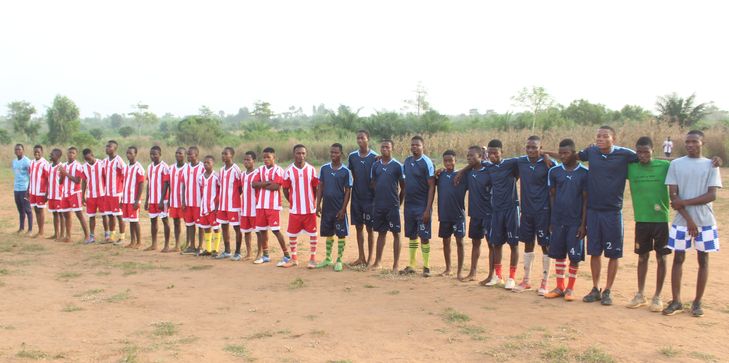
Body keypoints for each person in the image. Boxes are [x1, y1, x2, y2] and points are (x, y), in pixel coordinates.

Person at [663, 130, 722, 317]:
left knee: (703, 260)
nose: (690, 145)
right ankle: (676, 301)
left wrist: (685, 203)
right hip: (682, 221)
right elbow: (673, 196)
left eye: (694, 141)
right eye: (687, 142)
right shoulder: (676, 164)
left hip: (705, 221)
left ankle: (697, 303)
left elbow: (712, 195)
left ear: (702, 143)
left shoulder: (711, 165)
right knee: (678, 258)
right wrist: (689, 219)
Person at [578, 126, 638, 306]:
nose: (600, 139)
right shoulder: (592, 152)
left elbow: (645, 157)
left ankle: (608, 290)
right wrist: (546, 155)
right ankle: (595, 288)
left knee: (613, 253)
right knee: (594, 252)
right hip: (593, 211)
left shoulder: (625, 154)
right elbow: (571, 156)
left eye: (605, 136)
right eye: (598, 136)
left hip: (613, 212)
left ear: (614, 138)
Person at [625, 137, 671, 311]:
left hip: (660, 220)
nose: (643, 155)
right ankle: (640, 294)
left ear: (653, 150)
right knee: (642, 257)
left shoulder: (664, 166)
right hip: (641, 220)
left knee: (661, 258)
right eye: (639, 152)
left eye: (646, 151)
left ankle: (657, 296)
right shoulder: (631, 168)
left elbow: (683, 166)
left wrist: (714, 162)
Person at [544, 139, 588, 301]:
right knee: (559, 254)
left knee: (574, 256)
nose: (562, 156)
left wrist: (584, 224)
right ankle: (560, 286)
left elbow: (586, 200)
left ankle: (570, 288)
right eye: (560, 153)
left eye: (566, 153)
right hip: (558, 221)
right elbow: (552, 196)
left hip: (575, 222)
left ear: (574, 154)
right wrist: (552, 220)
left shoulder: (584, 173)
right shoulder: (554, 172)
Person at [515, 136, 554, 294]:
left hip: (543, 210)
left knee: (545, 245)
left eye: (534, 147)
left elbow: (562, 166)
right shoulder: (521, 162)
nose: (531, 150)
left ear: (541, 148)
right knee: (528, 243)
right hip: (526, 210)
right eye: (528, 147)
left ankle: (545, 282)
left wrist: (547, 155)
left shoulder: (548, 164)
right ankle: (526, 279)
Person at [484, 139, 521, 289]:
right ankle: (498, 275)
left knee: (513, 244)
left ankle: (511, 278)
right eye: (490, 153)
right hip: (496, 210)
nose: (493, 156)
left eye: (495, 153)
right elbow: (476, 161)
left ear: (501, 152)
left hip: (511, 208)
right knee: (496, 243)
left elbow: (520, 170)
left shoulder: (511, 163)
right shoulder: (489, 166)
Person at [399, 136, 436, 277]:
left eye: (417, 145)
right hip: (409, 205)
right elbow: (404, 183)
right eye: (412, 145)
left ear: (423, 146)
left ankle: (426, 267)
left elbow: (432, 186)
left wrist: (428, 209)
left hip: (422, 206)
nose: (414, 147)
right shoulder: (407, 162)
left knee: (424, 236)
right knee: (412, 235)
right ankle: (412, 265)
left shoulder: (426, 162)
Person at [281, 144, 320, 268]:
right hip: (295, 209)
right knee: (292, 234)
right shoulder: (288, 170)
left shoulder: (312, 170)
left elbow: (315, 188)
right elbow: (285, 189)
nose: (301, 156)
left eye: (303, 153)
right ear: (294, 154)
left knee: (313, 234)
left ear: (306, 154)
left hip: (309, 209)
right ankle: (294, 258)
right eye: (298, 153)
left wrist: (312, 201)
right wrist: (292, 201)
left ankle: (312, 259)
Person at [315, 143, 353, 272]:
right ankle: (328, 258)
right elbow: (320, 187)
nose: (333, 155)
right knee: (328, 233)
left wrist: (343, 209)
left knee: (341, 234)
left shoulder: (346, 171)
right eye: (331, 152)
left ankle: (339, 259)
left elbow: (348, 191)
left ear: (341, 154)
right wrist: (318, 204)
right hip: (327, 208)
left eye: (336, 153)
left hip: (339, 208)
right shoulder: (324, 168)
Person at [457, 146, 492, 282]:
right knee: (475, 243)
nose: (469, 158)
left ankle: (492, 274)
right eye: (467, 156)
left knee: (492, 245)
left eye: (472, 156)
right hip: (475, 214)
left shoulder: (488, 170)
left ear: (481, 156)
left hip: (488, 214)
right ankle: (473, 273)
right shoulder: (469, 172)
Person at [370, 139, 405, 272]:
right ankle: (378, 262)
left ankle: (395, 265)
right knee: (381, 233)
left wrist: (398, 203)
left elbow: (404, 187)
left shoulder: (397, 166)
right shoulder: (376, 165)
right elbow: (373, 183)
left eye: (387, 147)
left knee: (396, 233)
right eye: (382, 147)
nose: (384, 149)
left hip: (392, 206)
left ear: (392, 149)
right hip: (379, 205)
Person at [252, 147, 290, 265]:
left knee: (275, 230)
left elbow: (276, 187)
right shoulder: (260, 170)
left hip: (272, 206)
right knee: (262, 230)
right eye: (264, 157)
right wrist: (267, 182)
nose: (266, 159)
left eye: (268, 157)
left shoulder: (278, 170)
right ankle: (266, 255)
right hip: (260, 205)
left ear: (274, 158)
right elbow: (253, 184)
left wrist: (261, 184)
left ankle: (287, 255)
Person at [348, 130, 378, 266]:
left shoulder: (375, 157)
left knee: (370, 229)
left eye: (362, 138)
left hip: (370, 199)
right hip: (356, 198)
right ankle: (361, 257)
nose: (360, 140)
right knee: (358, 227)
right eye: (358, 138)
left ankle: (370, 258)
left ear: (368, 139)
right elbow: (353, 174)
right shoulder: (352, 156)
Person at [435, 150, 467, 278]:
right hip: (444, 214)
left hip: (458, 215)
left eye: (450, 160)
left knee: (460, 242)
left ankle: (459, 270)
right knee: (445, 241)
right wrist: (437, 171)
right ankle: (448, 268)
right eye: (446, 161)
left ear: (455, 161)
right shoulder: (440, 175)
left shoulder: (461, 176)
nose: (448, 163)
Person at [58, 146, 90, 243]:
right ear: (66, 154)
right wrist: (62, 175)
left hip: (74, 193)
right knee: (66, 214)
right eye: (69, 152)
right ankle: (68, 236)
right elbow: (60, 182)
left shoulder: (78, 166)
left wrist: (65, 173)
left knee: (79, 214)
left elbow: (77, 181)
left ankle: (87, 236)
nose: (71, 154)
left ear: (76, 155)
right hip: (65, 193)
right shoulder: (63, 165)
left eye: (73, 153)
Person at [216, 147, 242, 260]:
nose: (223, 156)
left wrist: (234, 197)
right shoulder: (221, 170)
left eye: (226, 154)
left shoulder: (236, 169)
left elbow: (240, 188)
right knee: (224, 226)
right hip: (223, 204)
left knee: (237, 227)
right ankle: (227, 251)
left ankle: (238, 252)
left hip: (233, 204)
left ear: (232, 155)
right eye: (222, 154)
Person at [160, 147, 187, 252]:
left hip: (184, 201)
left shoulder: (187, 168)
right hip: (174, 200)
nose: (178, 155)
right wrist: (163, 199)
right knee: (176, 222)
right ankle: (177, 245)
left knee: (188, 223)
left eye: (180, 153)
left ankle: (189, 244)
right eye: (176, 153)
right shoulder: (170, 168)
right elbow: (166, 184)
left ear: (184, 155)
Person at [145, 146, 170, 251]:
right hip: (152, 200)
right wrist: (147, 200)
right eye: (151, 154)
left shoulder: (164, 167)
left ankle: (166, 245)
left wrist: (161, 200)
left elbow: (166, 184)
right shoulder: (149, 167)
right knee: (153, 221)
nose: (153, 156)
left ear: (160, 154)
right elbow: (148, 184)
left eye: (155, 154)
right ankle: (154, 244)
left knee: (165, 221)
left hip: (162, 200)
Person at [196, 155, 221, 256]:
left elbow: (220, 191)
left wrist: (217, 206)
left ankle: (216, 249)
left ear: (213, 164)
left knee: (215, 227)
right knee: (206, 227)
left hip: (213, 207)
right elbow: (201, 192)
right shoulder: (201, 177)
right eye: (205, 163)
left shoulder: (216, 176)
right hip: (204, 207)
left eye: (208, 163)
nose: (206, 164)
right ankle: (208, 249)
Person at [182, 146, 205, 254]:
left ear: (196, 155)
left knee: (200, 225)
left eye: (191, 154)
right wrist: (183, 200)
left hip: (198, 202)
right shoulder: (186, 168)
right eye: (188, 154)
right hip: (188, 202)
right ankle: (191, 246)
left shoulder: (202, 167)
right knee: (190, 224)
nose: (188, 156)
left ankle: (200, 246)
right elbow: (183, 185)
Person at [121, 146, 145, 249]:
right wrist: (122, 199)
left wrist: (137, 200)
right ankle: (132, 241)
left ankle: (139, 242)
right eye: (127, 153)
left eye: (130, 153)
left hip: (133, 199)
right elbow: (124, 183)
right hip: (126, 198)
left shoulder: (139, 167)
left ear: (135, 154)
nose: (128, 155)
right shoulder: (126, 167)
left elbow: (141, 184)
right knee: (130, 221)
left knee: (135, 220)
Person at [81, 148, 106, 244]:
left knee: (104, 216)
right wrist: (83, 195)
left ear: (92, 154)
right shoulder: (84, 167)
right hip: (90, 195)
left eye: (89, 158)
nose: (88, 160)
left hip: (102, 194)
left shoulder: (101, 164)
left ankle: (107, 235)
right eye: (86, 159)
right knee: (91, 216)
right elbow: (84, 181)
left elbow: (105, 178)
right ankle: (91, 237)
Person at [103, 140, 126, 243]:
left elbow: (125, 176)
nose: (107, 148)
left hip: (117, 193)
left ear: (115, 149)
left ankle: (122, 237)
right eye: (106, 146)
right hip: (107, 193)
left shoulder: (119, 161)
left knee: (119, 215)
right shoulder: (105, 161)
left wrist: (123, 191)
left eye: (110, 147)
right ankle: (112, 236)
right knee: (110, 215)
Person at [239, 151, 259, 261]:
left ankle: (259, 253)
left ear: (253, 161)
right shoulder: (242, 174)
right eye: (245, 160)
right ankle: (249, 252)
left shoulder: (257, 173)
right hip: (244, 208)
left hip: (254, 208)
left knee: (258, 231)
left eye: (248, 160)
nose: (246, 162)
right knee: (246, 231)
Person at [27, 145, 49, 238]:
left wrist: (47, 192)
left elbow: (48, 179)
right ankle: (39, 230)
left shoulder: (45, 163)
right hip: (33, 191)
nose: (36, 153)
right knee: (36, 210)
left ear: (42, 152)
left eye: (38, 152)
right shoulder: (31, 163)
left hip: (41, 191)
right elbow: (30, 177)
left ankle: (41, 231)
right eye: (35, 151)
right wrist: (28, 189)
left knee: (41, 209)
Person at [12, 144, 32, 234]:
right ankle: (21, 228)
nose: (17, 151)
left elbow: (30, 176)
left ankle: (30, 229)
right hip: (16, 189)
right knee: (20, 209)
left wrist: (28, 190)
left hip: (25, 188)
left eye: (19, 149)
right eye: (16, 149)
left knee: (27, 209)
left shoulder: (27, 162)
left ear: (23, 150)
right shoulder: (14, 162)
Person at [46, 149, 65, 241]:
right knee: (54, 214)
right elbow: (48, 181)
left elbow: (63, 181)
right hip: (51, 194)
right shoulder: (49, 166)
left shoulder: (61, 167)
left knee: (60, 214)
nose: (50, 155)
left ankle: (62, 234)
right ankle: (56, 233)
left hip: (59, 194)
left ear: (58, 156)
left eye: (52, 154)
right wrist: (47, 193)